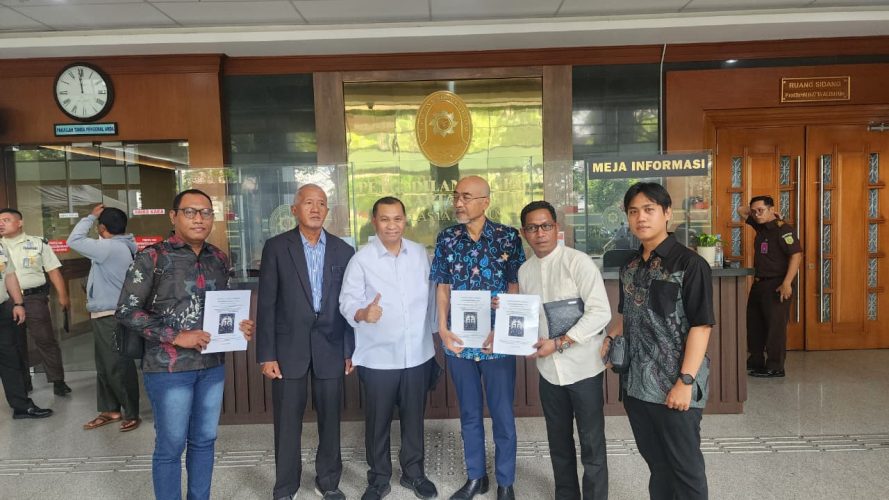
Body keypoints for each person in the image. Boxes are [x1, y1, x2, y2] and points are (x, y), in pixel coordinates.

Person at [115, 189, 255, 500]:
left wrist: (238, 326)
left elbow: (222, 308)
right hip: (168, 368)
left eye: (205, 212)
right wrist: (176, 336)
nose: (198, 219)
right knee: (171, 445)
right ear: (173, 216)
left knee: (205, 440)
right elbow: (126, 311)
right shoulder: (152, 257)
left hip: (211, 365)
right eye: (190, 212)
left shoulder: (218, 257)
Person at [607, 182, 713, 500]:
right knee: (658, 467)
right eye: (633, 211)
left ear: (667, 213)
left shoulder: (690, 264)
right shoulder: (630, 266)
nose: (641, 217)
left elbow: (701, 326)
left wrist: (685, 381)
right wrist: (610, 336)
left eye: (649, 209)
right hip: (636, 387)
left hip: (674, 387)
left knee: (686, 472)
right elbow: (626, 314)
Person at [256, 184, 355, 500]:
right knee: (287, 423)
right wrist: (266, 354)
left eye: (321, 203)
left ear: (328, 210)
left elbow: (348, 305)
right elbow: (267, 304)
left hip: (331, 346)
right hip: (288, 350)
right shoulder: (276, 247)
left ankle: (329, 482)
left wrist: (349, 349)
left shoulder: (343, 250)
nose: (315, 208)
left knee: (331, 420)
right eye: (309, 203)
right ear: (294, 210)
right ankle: (286, 487)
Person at [430, 175, 525, 500]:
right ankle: (476, 477)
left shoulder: (507, 237)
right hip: (459, 341)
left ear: (486, 201)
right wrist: (442, 329)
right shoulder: (447, 238)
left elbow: (514, 285)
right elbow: (442, 286)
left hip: (496, 342)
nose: (458, 203)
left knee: (502, 415)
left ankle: (505, 482)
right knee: (469, 413)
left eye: (466, 197)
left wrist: (503, 328)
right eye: (456, 196)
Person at [339, 196, 439, 500]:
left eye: (397, 219)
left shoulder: (420, 253)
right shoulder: (361, 260)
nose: (391, 225)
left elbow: (432, 296)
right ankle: (379, 479)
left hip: (417, 353)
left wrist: (439, 333)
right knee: (377, 422)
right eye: (385, 219)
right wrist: (362, 313)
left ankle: (413, 473)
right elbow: (347, 301)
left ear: (405, 220)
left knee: (414, 419)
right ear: (374, 222)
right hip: (379, 356)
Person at [518, 200, 612, 500]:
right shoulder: (525, 271)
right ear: (524, 233)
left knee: (592, 444)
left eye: (546, 226)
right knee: (558, 443)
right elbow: (531, 319)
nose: (540, 233)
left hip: (584, 368)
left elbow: (600, 312)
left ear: (556, 228)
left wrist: (560, 342)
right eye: (532, 228)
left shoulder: (578, 262)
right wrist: (511, 319)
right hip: (549, 372)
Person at [67, 204, 141, 432]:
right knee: (105, 364)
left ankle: (131, 412)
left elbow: (74, 240)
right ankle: (110, 409)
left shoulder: (109, 247)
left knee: (117, 364)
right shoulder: (122, 245)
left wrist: (90, 216)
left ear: (102, 228)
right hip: (106, 312)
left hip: (111, 314)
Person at [0, 208, 71, 396]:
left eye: (6, 220)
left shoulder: (37, 243)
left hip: (33, 298)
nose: (1, 224)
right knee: (14, 344)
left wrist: (63, 295)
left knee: (45, 339)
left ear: (19, 222)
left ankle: (58, 380)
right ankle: (23, 383)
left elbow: (53, 270)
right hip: (6, 301)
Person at [737, 196, 802, 378]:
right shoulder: (761, 226)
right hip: (759, 283)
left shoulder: (783, 230)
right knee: (754, 323)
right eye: (754, 211)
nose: (757, 214)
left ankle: (775, 366)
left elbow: (796, 255)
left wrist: (787, 283)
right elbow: (741, 210)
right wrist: (756, 211)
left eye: (761, 210)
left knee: (775, 327)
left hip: (777, 284)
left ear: (772, 209)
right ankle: (756, 360)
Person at [0, 243, 53, 419]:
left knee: (11, 359)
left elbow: (9, 274)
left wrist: (18, 303)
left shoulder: (1, 246)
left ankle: (22, 406)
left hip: (2, 308)